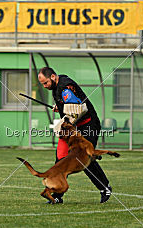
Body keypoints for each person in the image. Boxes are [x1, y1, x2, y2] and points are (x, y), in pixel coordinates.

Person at [38, 67, 112, 204]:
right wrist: (59, 107)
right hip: (73, 128)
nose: (45, 86)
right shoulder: (57, 87)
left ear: (53, 77)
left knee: (85, 159)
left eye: (46, 83)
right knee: (60, 161)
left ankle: (105, 188)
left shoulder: (66, 86)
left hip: (88, 125)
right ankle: (57, 195)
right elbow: (67, 105)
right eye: (43, 84)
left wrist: (63, 110)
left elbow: (76, 109)